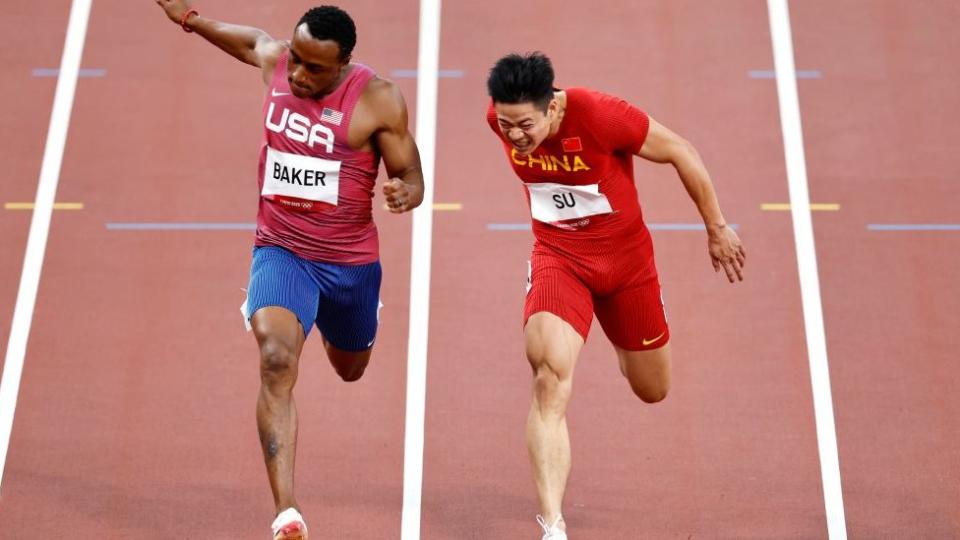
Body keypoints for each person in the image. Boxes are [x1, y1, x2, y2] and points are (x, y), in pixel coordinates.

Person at [155, 2, 425, 538]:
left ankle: (337, 321)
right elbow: (249, 42)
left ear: (344, 62)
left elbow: (412, 174)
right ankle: (287, 512)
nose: (298, 74)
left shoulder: (378, 99)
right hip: (280, 249)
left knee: (351, 369)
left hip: (349, 264)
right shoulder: (278, 61)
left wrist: (405, 193)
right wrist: (186, 16)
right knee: (276, 360)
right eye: (296, 59)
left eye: (315, 68)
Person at [485, 52, 745, 539]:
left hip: (628, 268)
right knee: (548, 374)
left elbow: (680, 150)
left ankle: (619, 341)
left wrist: (716, 227)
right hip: (559, 260)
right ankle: (553, 524)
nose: (514, 135)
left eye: (524, 125)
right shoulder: (499, 119)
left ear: (552, 108)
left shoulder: (600, 114)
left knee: (652, 388)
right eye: (505, 125)